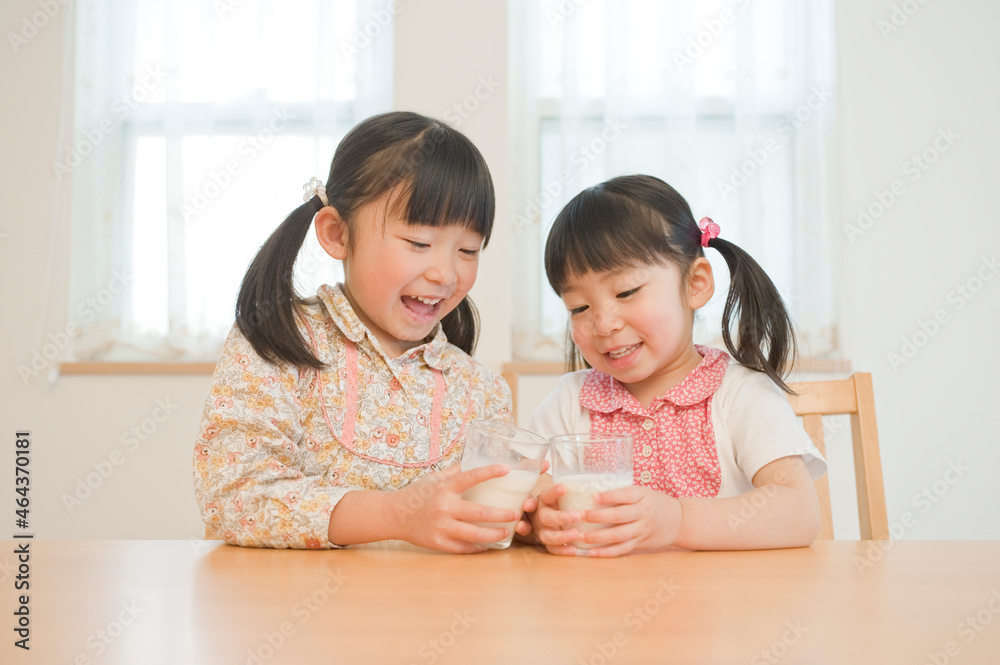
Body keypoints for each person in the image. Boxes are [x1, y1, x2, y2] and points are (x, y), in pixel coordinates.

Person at [193, 112, 524, 552]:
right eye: (419, 243)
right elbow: (234, 498)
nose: (446, 273)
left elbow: (491, 520)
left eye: (467, 250)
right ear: (337, 234)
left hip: (434, 597)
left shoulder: (483, 392)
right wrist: (396, 515)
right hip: (293, 597)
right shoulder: (279, 342)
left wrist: (534, 518)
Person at [527, 174, 827, 556]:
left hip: (721, 594)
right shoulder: (572, 401)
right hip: (600, 594)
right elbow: (526, 491)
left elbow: (799, 512)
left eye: (626, 292)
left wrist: (677, 521)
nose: (603, 324)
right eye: (579, 307)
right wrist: (539, 522)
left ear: (695, 284)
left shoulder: (739, 394)